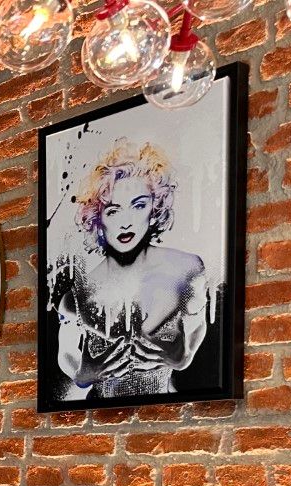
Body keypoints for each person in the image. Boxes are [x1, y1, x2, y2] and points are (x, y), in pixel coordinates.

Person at [52, 139, 209, 402]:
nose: (126, 222)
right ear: (98, 217)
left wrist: (185, 356)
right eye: (114, 211)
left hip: (171, 415)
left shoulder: (187, 270)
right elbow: (66, 353)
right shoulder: (78, 295)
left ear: (154, 207)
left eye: (138, 206)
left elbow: (197, 323)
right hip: (97, 419)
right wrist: (82, 375)